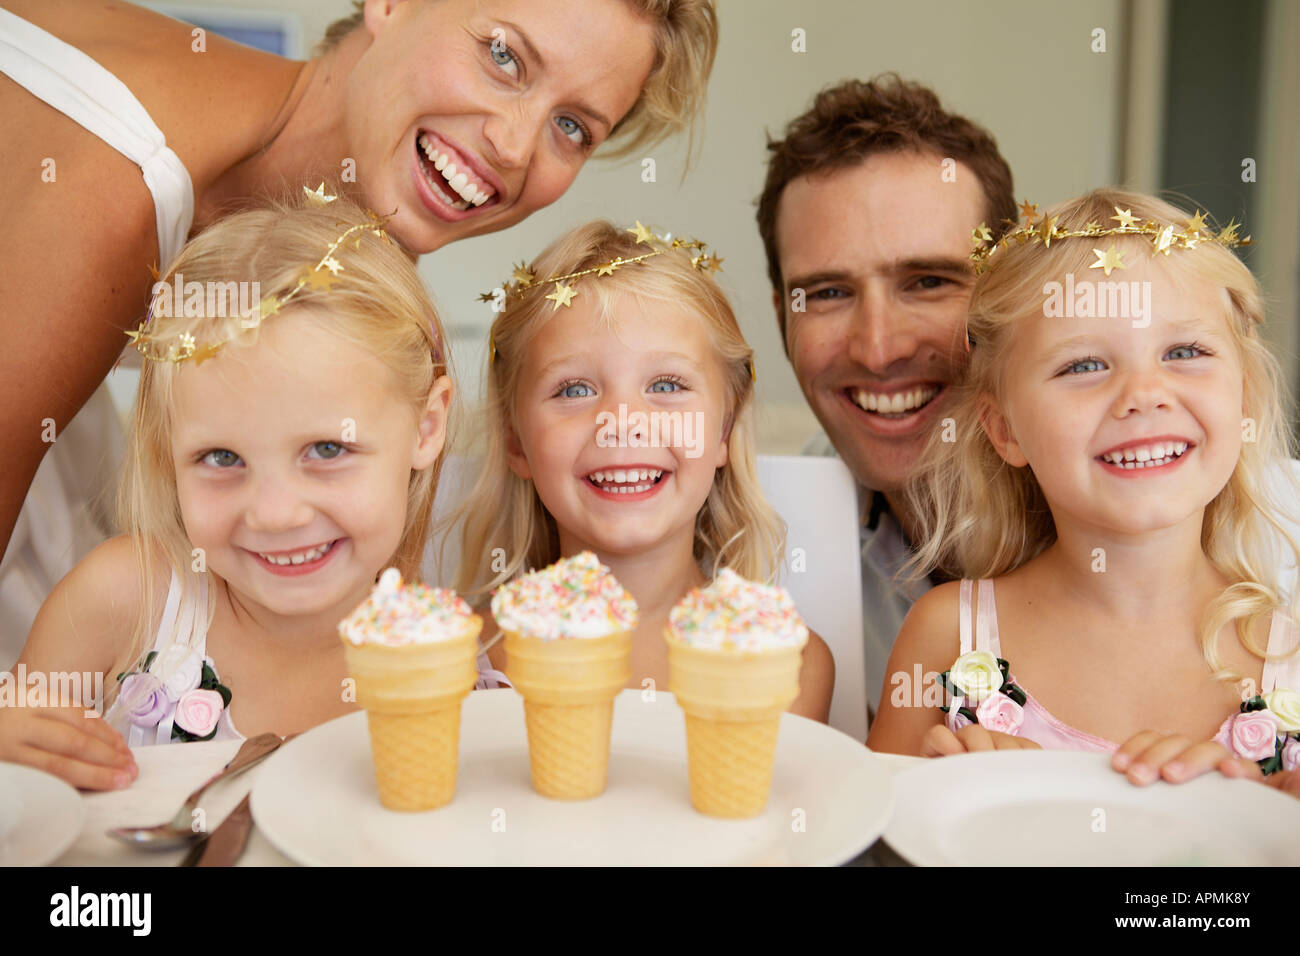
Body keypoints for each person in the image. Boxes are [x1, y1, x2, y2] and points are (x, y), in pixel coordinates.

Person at [0, 0, 719, 660]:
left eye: (572, 126)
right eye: (504, 56)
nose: (513, 144)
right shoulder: (114, 182)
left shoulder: (373, 295)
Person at [0, 197, 459, 789]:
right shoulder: (121, 602)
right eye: (222, 458)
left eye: (326, 450)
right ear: (168, 453)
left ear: (426, 427)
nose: (275, 513)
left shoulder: (442, 657)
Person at [866, 189, 1300, 796]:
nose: (1144, 394)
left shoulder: (1291, 661)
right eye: (1084, 366)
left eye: (1185, 352)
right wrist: (960, 809)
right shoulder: (947, 637)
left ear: (1246, 395)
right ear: (1005, 429)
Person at [451, 221, 835, 720]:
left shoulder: (790, 663)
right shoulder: (451, 659)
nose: (623, 424)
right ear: (515, 441)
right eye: (574, 390)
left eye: (667, 384)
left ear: (724, 429)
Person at [755, 75, 1016, 710]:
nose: (878, 349)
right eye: (828, 293)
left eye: (928, 281)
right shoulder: (760, 542)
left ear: (1011, 291)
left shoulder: (1142, 510)